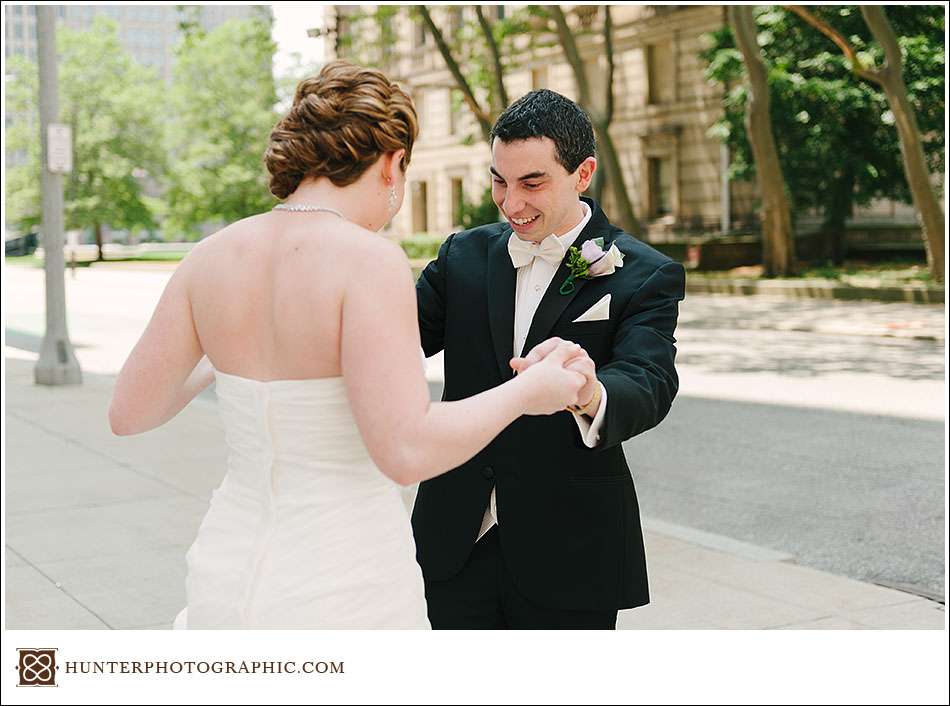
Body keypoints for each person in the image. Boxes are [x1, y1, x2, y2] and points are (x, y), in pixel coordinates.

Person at [108, 62, 590, 629]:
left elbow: (129, 413)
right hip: (341, 573)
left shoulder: (211, 256)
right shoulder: (368, 260)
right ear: (390, 163)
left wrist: (233, 356)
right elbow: (407, 452)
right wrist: (526, 391)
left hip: (227, 564)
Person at [413, 89, 686, 629]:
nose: (511, 203)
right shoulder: (461, 256)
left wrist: (588, 391)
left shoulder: (644, 272)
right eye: (499, 181)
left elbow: (648, 380)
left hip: (571, 550)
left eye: (531, 183)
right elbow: (390, 341)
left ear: (582, 174)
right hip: (454, 539)